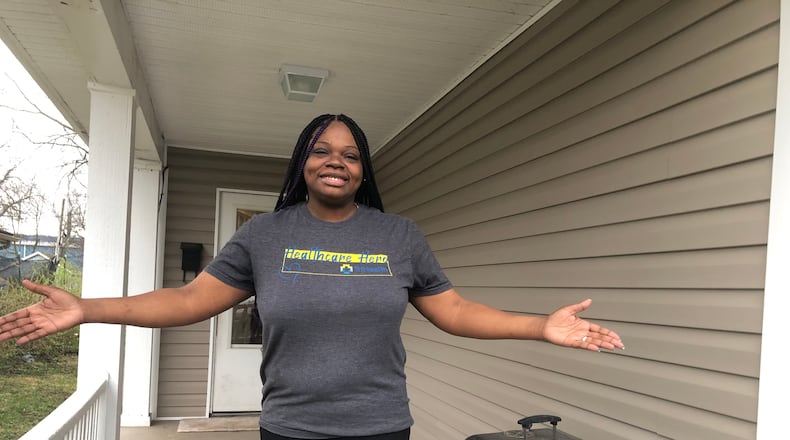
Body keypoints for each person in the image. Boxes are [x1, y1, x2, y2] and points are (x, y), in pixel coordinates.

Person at [0, 114, 624, 440]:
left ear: (363, 170)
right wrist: (87, 308)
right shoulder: (264, 236)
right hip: (292, 429)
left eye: (350, 154)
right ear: (302, 162)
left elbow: (455, 311)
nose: (336, 161)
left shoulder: (398, 236)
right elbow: (188, 300)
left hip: (380, 426)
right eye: (322, 150)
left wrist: (540, 326)